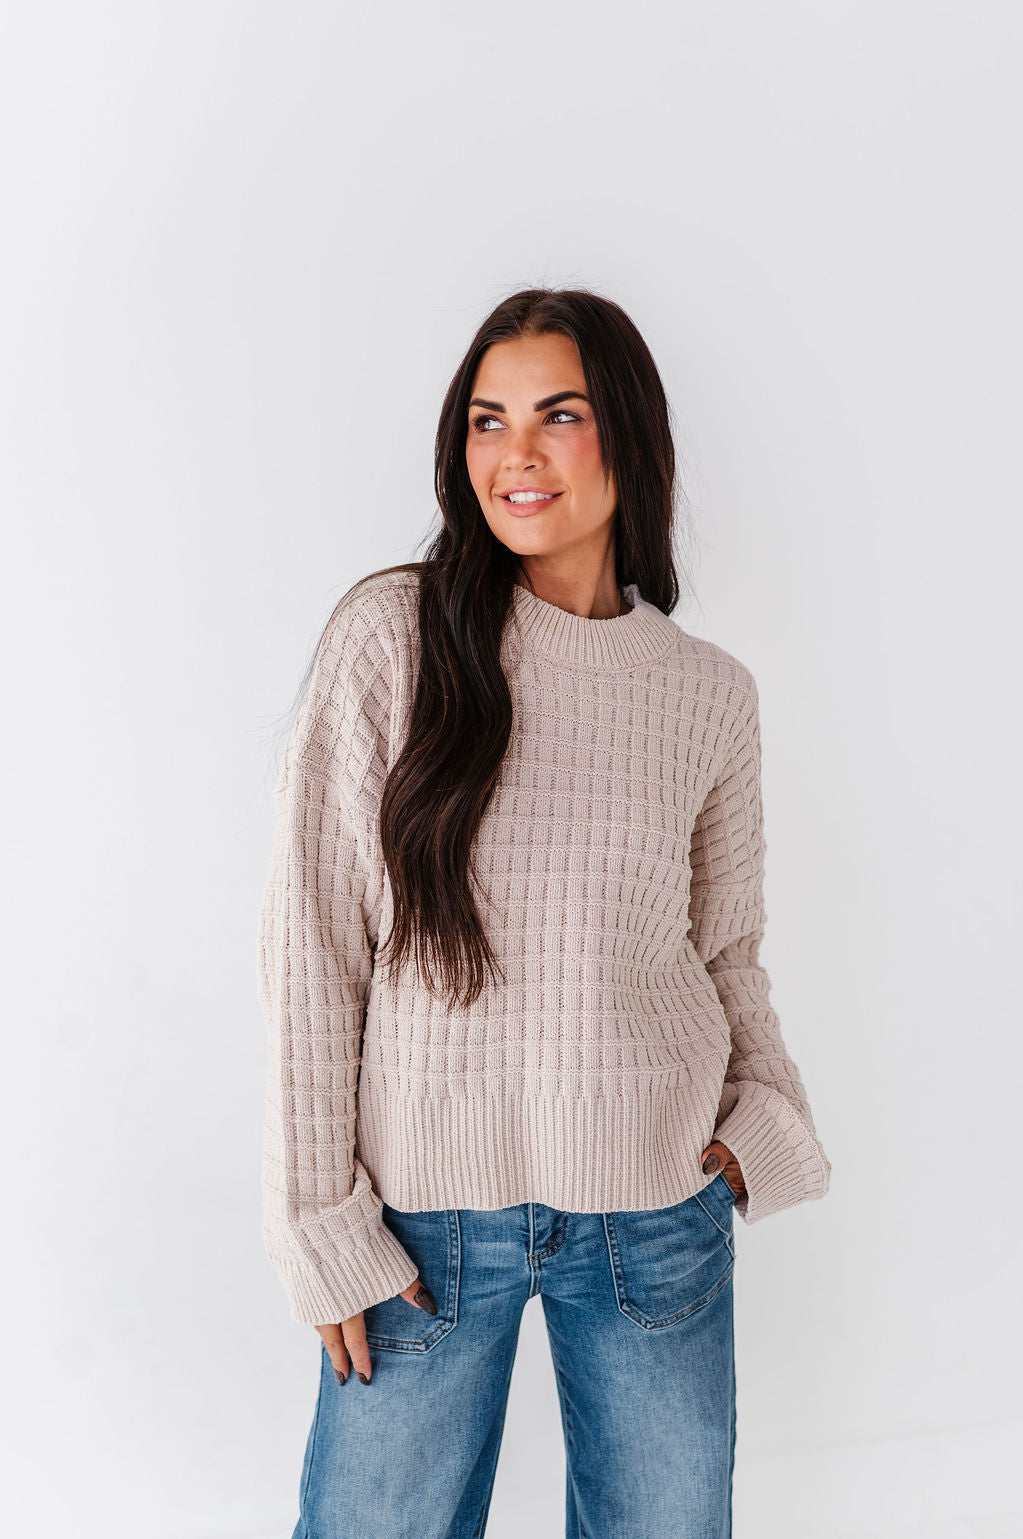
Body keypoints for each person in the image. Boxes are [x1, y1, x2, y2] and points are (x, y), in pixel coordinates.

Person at [256, 286, 831, 1539]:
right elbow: (313, 940)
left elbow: (726, 949)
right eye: (487, 420)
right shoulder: (392, 637)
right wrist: (319, 1224)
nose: (515, 454)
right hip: (418, 1229)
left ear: (629, 435)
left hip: (655, 1207)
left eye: (557, 416)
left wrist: (766, 1124)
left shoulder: (708, 693)